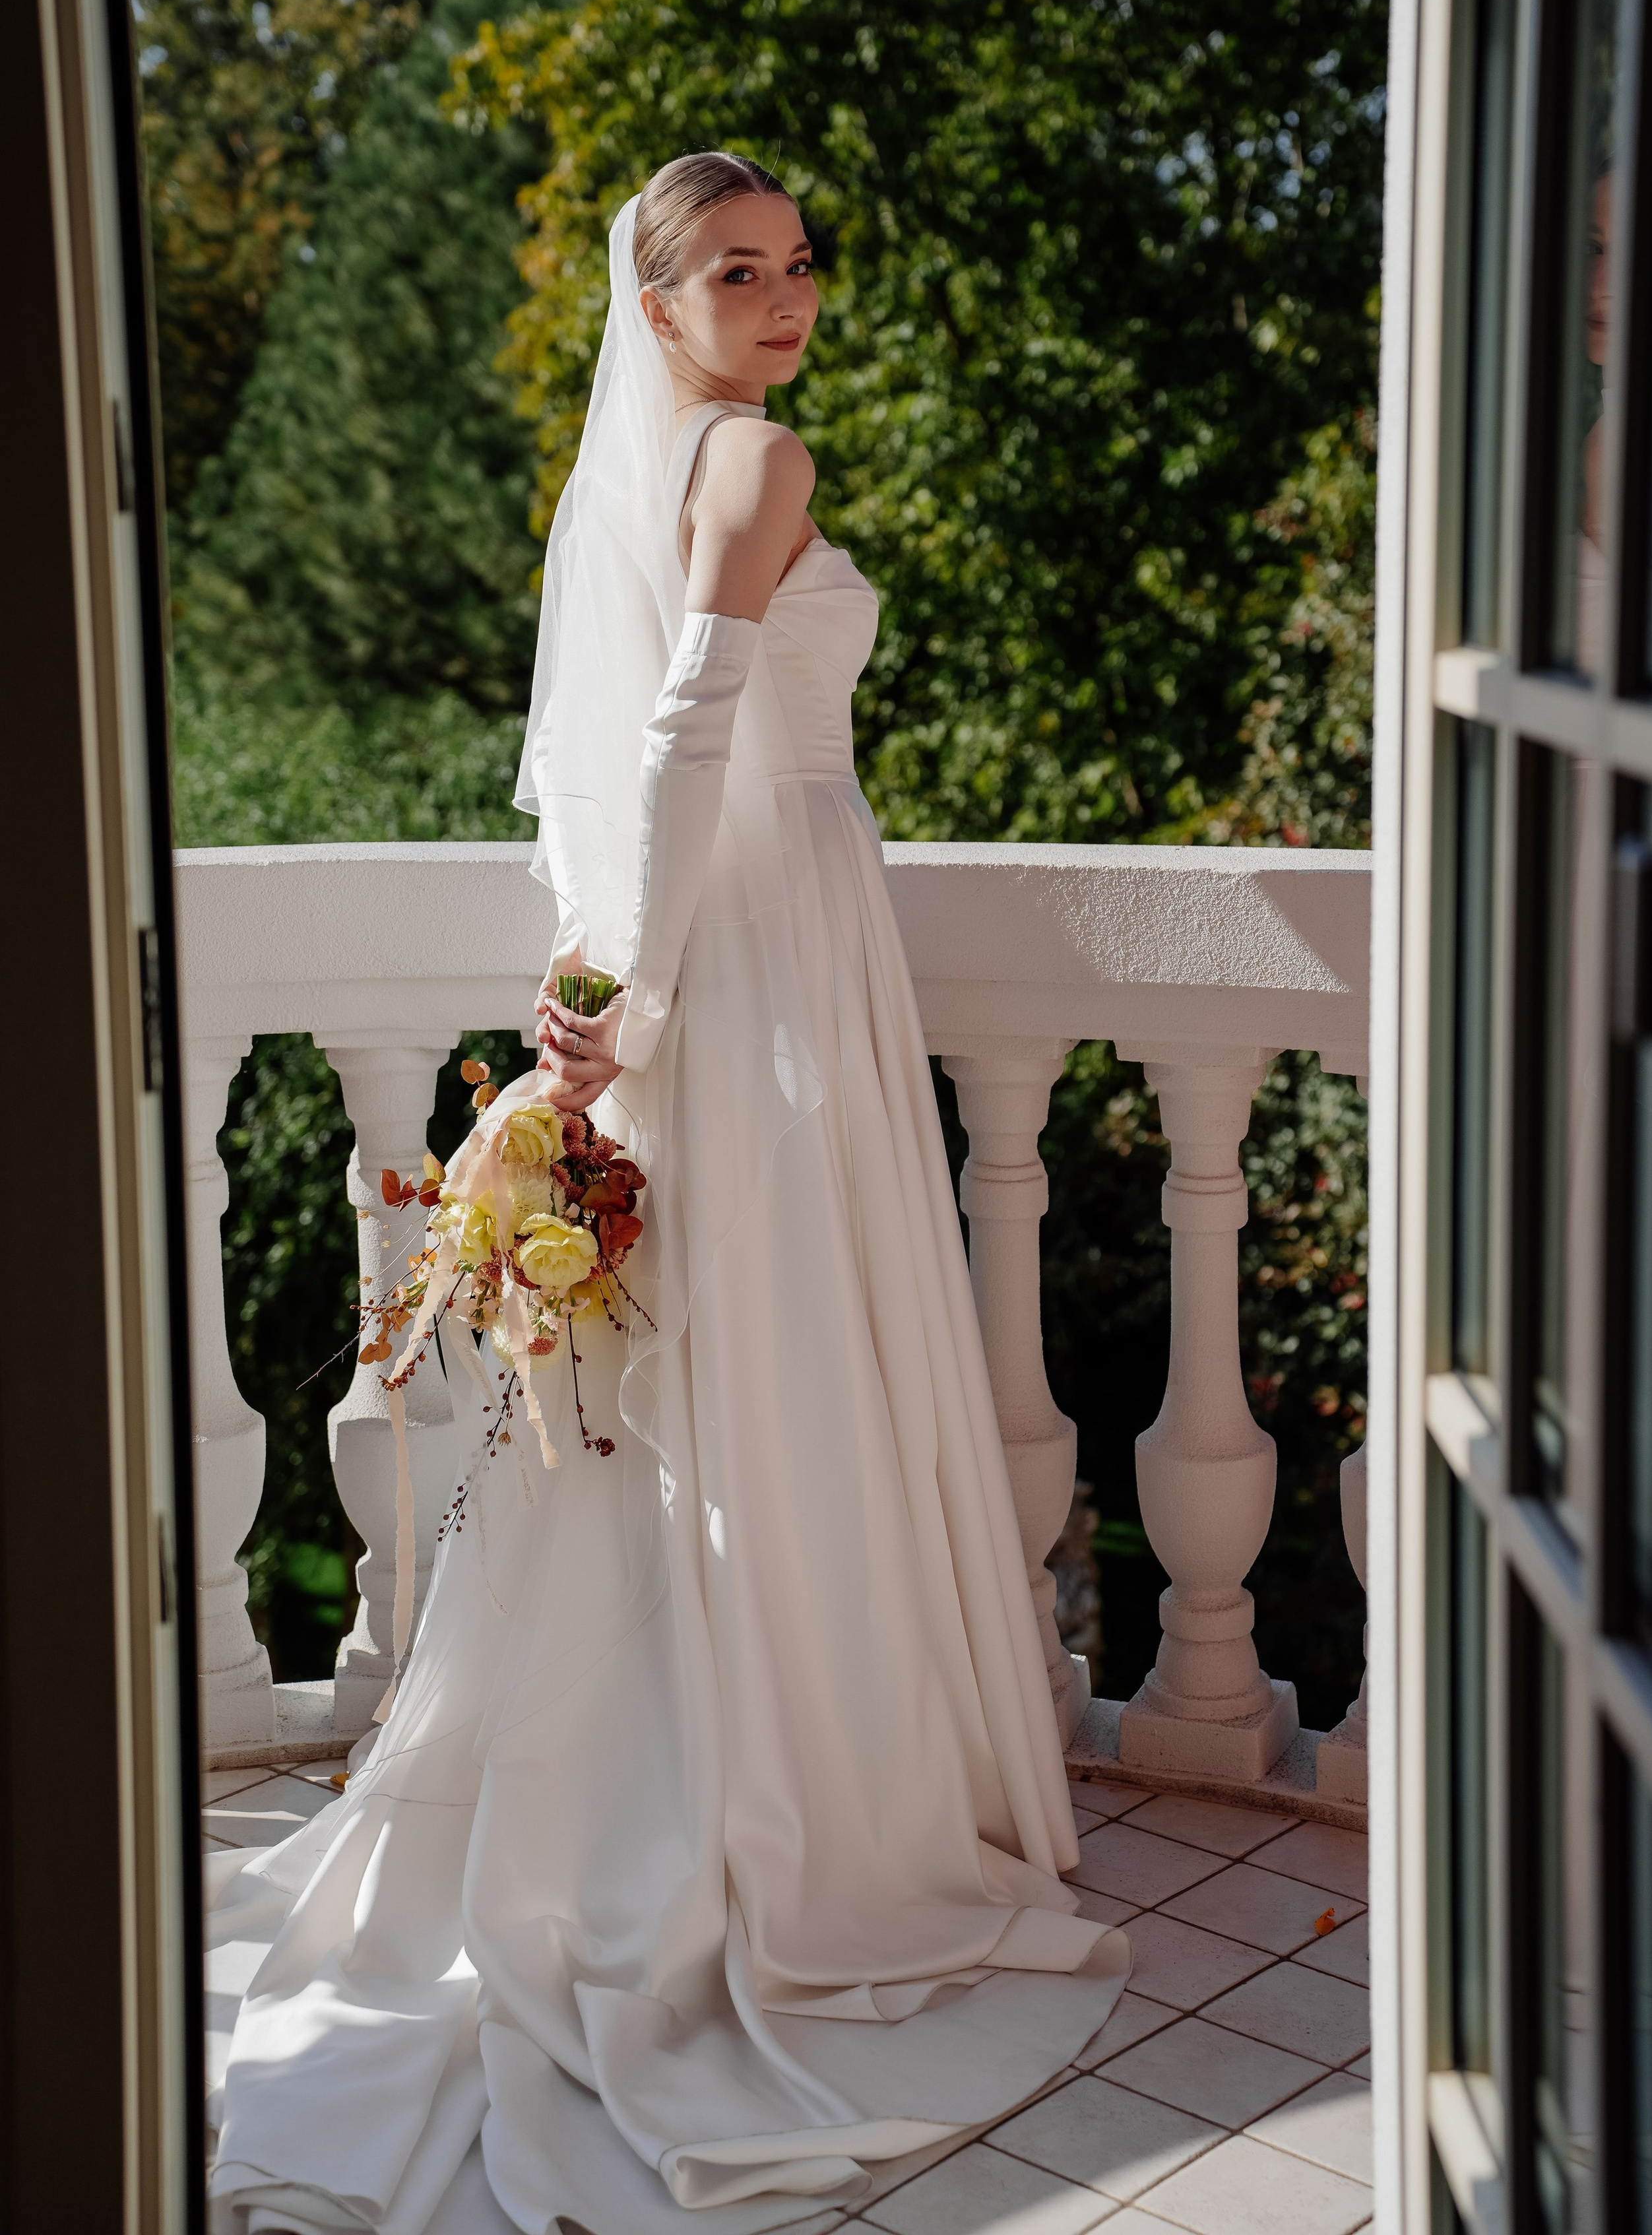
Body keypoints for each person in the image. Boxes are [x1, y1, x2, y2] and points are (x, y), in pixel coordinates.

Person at [206, 152, 1130, 2235]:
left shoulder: (641, 480)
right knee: (787, 1365)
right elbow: (692, 726)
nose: (786, 296)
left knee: (721, 1387)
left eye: (801, 263)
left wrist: (603, 986)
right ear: (659, 303)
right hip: (766, 948)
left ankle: (687, 1798)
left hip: (726, 939)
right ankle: (792, 1824)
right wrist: (623, 1004)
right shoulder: (753, 462)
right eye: (738, 269)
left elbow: (619, 755)